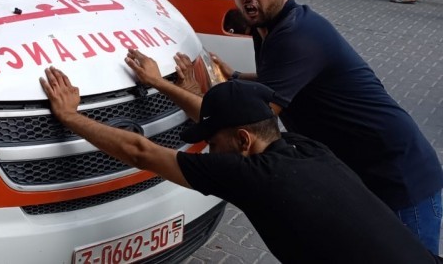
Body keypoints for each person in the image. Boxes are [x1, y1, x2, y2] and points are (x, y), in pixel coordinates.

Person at [39, 62, 441, 263]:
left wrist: (71, 116)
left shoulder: (249, 175)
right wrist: (161, 83)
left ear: (243, 141)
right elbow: (231, 124)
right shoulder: (305, 147)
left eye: (213, 144)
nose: (211, 153)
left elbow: (141, 152)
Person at [208, 0, 443, 252]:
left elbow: (258, 118)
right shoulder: (267, 28)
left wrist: (187, 92)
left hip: (399, 177)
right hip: (359, 174)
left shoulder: (296, 33)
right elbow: (280, 78)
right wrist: (237, 76)